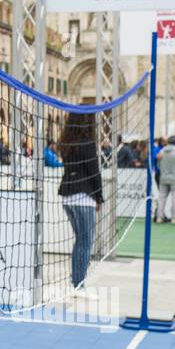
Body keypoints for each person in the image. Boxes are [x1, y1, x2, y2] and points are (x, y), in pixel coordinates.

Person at [57, 112, 103, 295]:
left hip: (68, 197)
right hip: (84, 198)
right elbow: (94, 173)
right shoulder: (88, 144)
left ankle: (76, 281)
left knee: (80, 242)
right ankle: (78, 284)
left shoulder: (65, 143)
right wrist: (99, 197)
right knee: (85, 242)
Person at [155, 135, 175, 224]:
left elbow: (158, 165)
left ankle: (159, 217)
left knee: (161, 198)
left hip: (164, 178)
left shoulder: (161, 151)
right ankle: (174, 217)